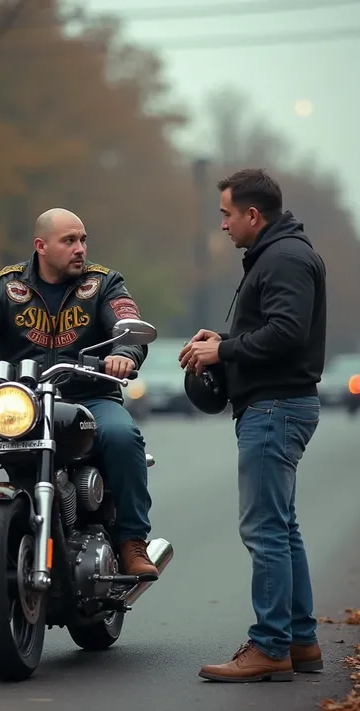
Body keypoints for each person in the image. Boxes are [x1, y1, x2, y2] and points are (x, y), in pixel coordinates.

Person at [0, 207, 158, 604]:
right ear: (41, 246)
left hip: (89, 397)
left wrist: (126, 354)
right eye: (69, 241)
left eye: (83, 240)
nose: (79, 249)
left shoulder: (104, 283)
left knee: (122, 436)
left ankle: (132, 542)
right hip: (21, 403)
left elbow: (127, 323)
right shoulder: (4, 286)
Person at [180, 169, 326, 682]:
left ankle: (269, 646)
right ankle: (301, 640)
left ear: (252, 215)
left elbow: (287, 332)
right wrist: (219, 339)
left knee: (264, 530)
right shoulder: (279, 254)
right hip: (279, 404)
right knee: (282, 529)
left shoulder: (284, 258)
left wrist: (223, 349)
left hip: (275, 408)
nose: (222, 225)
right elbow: (272, 328)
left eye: (226, 214)